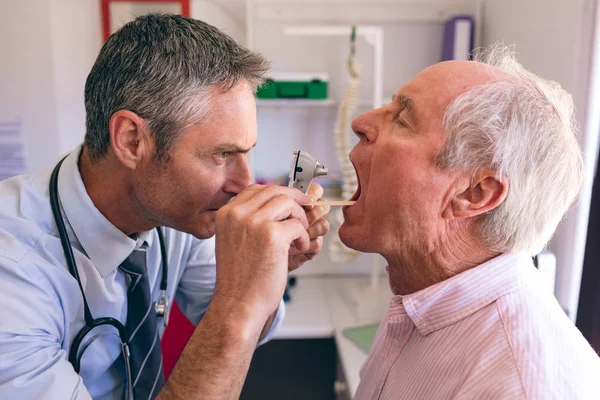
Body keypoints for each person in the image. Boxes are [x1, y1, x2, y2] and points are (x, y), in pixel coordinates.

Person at [0, 14, 330, 400]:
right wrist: (238, 301)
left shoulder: (179, 212)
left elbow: (250, 333)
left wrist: (264, 275)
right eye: (223, 154)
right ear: (131, 140)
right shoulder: (13, 272)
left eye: (246, 152)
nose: (244, 184)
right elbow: (233, 323)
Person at [339, 44, 600, 399]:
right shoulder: (420, 291)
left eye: (401, 118)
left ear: (474, 194)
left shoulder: (521, 387)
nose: (360, 123)